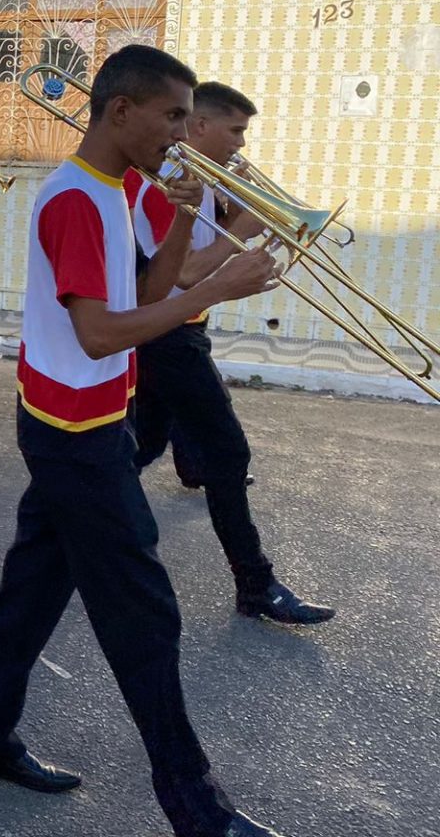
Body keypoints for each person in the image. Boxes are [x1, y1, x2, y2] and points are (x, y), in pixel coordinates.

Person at [0, 45, 288, 837]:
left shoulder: (119, 188)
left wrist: (183, 217)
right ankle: (197, 808)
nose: (181, 133)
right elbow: (101, 333)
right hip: (73, 433)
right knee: (146, 615)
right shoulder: (75, 198)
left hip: (87, 419)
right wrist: (217, 286)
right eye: (173, 116)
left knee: (31, 593)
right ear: (121, 111)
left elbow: (147, 292)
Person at [132, 81, 333, 625]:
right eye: (236, 131)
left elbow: (202, 251)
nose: (241, 144)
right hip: (168, 337)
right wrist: (242, 227)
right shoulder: (163, 186)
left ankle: (69, 527)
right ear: (200, 126)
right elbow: (182, 273)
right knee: (227, 454)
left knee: (142, 446)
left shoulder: (198, 182)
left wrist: (238, 218)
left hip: (181, 332)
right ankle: (256, 585)